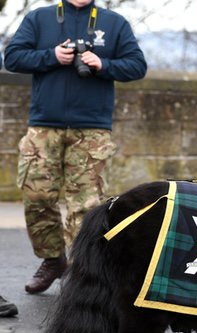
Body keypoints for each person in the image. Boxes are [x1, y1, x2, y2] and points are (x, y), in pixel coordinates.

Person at [4, 0, 147, 295]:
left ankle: (82, 273)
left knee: (85, 207)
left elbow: (137, 65)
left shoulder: (114, 22)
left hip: (92, 130)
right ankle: (53, 259)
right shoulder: (39, 18)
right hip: (44, 125)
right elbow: (13, 58)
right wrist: (52, 56)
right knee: (36, 197)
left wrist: (102, 64)